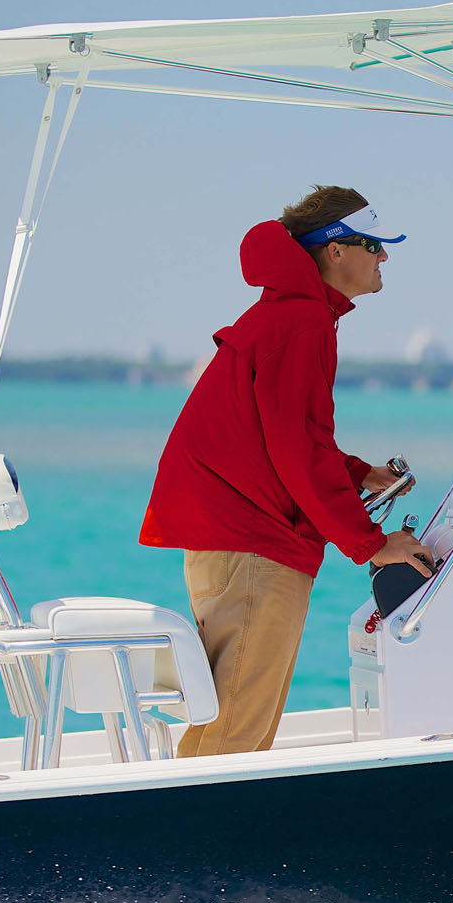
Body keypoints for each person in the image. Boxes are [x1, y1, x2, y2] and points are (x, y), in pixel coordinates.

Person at [139, 185, 433, 758]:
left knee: (228, 720)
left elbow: (281, 434)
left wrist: (358, 474)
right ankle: (195, 846)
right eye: (374, 245)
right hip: (253, 546)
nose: (384, 258)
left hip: (234, 538)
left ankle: (200, 840)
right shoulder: (303, 322)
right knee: (238, 732)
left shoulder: (289, 316)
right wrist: (371, 544)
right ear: (335, 251)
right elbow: (296, 448)